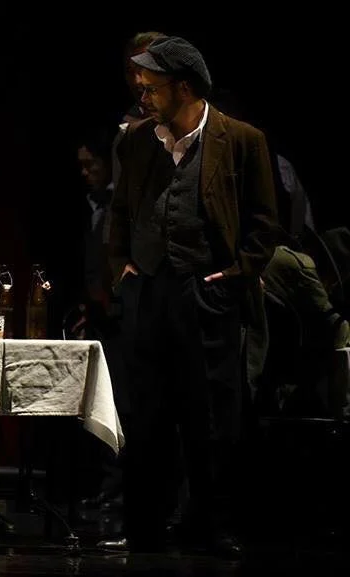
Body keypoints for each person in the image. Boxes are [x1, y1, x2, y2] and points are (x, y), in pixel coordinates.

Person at [108, 36, 282, 555]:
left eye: (152, 86)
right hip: (151, 288)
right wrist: (123, 266)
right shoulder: (137, 140)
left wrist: (235, 274)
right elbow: (121, 212)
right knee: (148, 413)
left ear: (184, 88)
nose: (142, 93)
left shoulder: (242, 140)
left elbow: (265, 223)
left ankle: (212, 523)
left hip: (206, 292)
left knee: (210, 417)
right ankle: (147, 526)